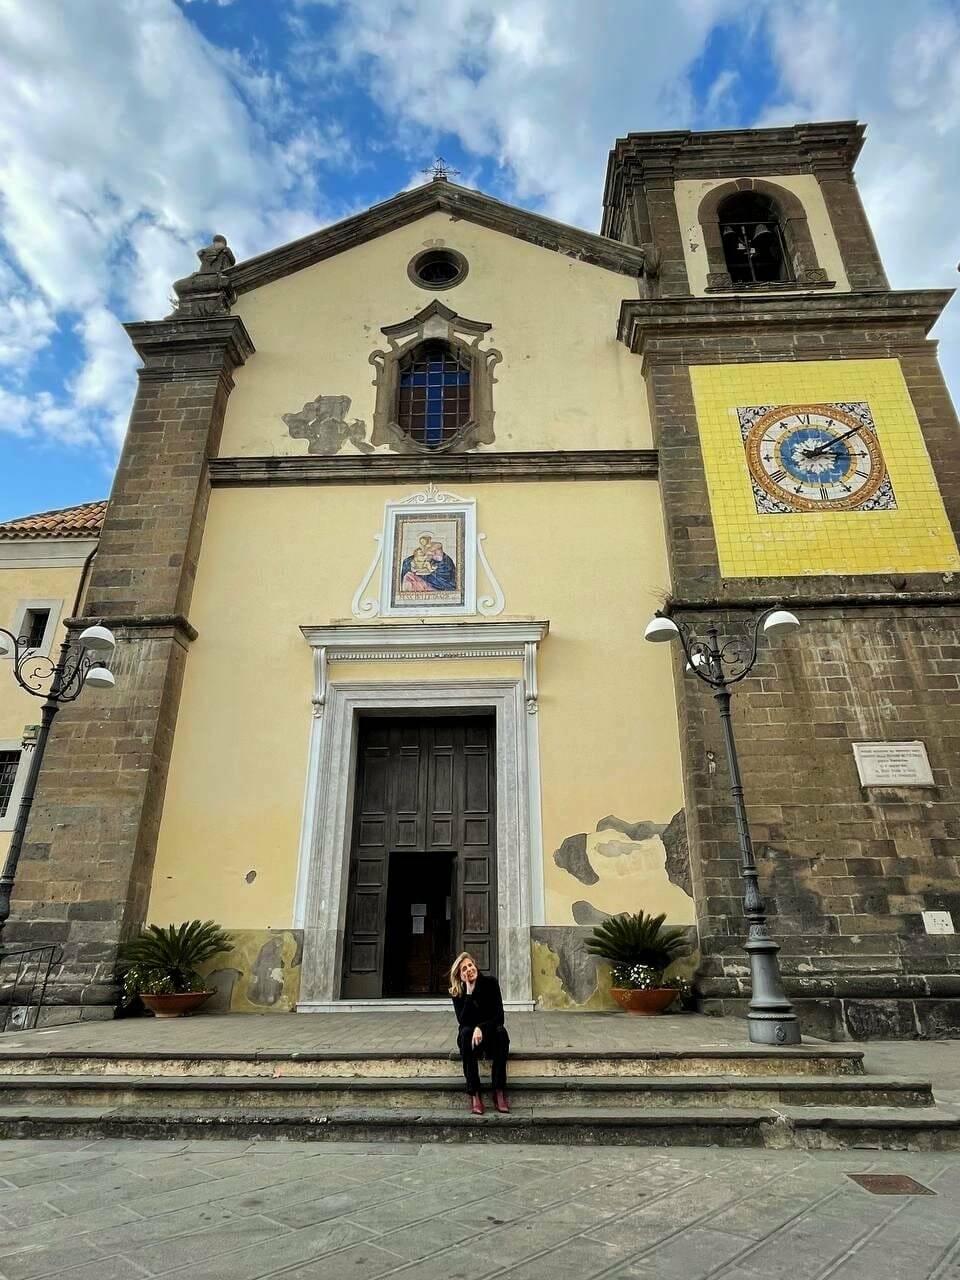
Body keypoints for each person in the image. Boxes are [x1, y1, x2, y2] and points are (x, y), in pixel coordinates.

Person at [449, 951, 510, 1115]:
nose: (469, 969)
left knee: (501, 1034)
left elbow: (499, 1017)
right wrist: (469, 992)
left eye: (470, 965)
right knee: (466, 1033)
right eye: (464, 969)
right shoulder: (457, 992)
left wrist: (481, 1028)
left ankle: (498, 1091)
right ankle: (474, 1093)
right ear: (460, 975)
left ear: (475, 965)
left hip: (490, 1033)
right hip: (470, 1038)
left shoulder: (491, 983)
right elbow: (463, 1020)